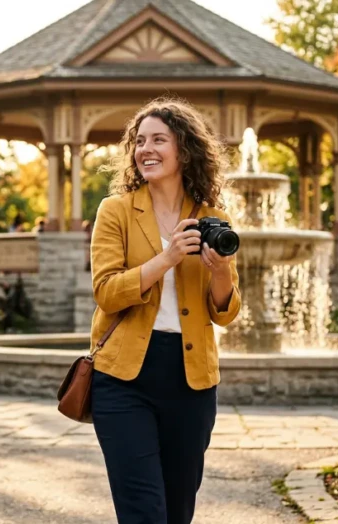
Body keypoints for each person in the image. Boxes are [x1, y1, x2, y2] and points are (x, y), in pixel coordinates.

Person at [88, 98, 242, 524]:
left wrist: (223, 272)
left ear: (184, 150)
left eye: (159, 139)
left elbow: (226, 313)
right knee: (144, 513)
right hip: (123, 379)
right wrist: (167, 257)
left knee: (177, 511)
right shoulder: (114, 211)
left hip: (191, 381)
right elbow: (106, 292)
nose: (146, 149)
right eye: (139, 141)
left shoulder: (213, 218)